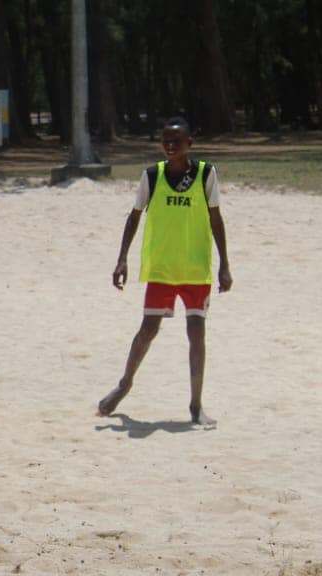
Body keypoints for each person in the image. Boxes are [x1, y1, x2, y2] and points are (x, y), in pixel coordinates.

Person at [97, 116, 232, 427]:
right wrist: (122, 259)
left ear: (189, 144)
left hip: (196, 268)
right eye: (166, 141)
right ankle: (124, 384)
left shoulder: (206, 174)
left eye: (177, 141)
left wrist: (224, 264)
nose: (171, 146)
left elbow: (216, 220)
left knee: (196, 333)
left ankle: (196, 405)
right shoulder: (152, 176)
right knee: (148, 330)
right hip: (161, 267)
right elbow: (133, 217)